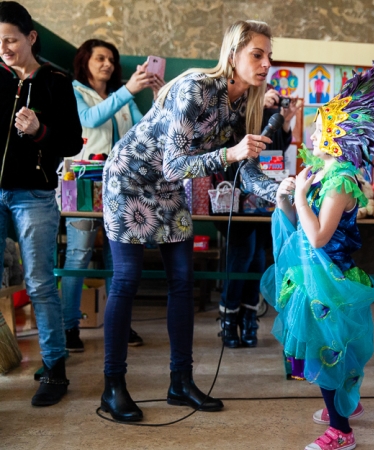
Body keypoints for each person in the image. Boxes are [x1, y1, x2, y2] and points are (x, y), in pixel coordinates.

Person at [99, 20, 280, 422]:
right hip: (129, 181)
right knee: (126, 281)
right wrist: (230, 155)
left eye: (270, 56)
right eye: (257, 54)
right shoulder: (195, 87)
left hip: (169, 190)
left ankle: (180, 383)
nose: (267, 63)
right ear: (233, 55)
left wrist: (283, 193)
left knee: (182, 282)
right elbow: (176, 162)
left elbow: (245, 171)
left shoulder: (244, 104)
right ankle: (112, 388)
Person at [261, 47, 374, 450]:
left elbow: (317, 237)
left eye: (320, 128)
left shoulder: (339, 182)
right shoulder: (323, 174)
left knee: (327, 350)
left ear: (339, 134)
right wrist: (286, 198)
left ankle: (341, 431)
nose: (314, 134)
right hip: (315, 275)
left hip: (330, 279)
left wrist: (299, 195)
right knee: (328, 349)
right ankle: (346, 407)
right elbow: (302, 226)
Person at [0, 1, 83, 405]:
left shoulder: (56, 82)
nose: (4, 48)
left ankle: (54, 368)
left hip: (32, 195)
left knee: (38, 282)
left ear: (31, 38)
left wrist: (38, 131)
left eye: (11, 40)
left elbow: (70, 142)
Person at [63, 39, 163, 352]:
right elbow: (89, 120)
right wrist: (128, 91)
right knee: (78, 254)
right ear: (85, 61)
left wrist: (156, 95)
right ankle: (68, 327)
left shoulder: (123, 96)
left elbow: (145, 127)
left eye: (111, 59)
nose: (107, 64)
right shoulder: (75, 91)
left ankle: (120, 322)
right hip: (82, 182)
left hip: (122, 185)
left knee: (116, 256)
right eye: (100, 58)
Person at [216, 87, 301, 349]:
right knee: (242, 254)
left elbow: (274, 149)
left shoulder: (270, 114)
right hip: (235, 195)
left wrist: (285, 121)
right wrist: (253, 107)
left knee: (258, 258)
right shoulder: (233, 105)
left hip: (264, 197)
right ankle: (229, 321)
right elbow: (226, 141)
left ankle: (250, 319)